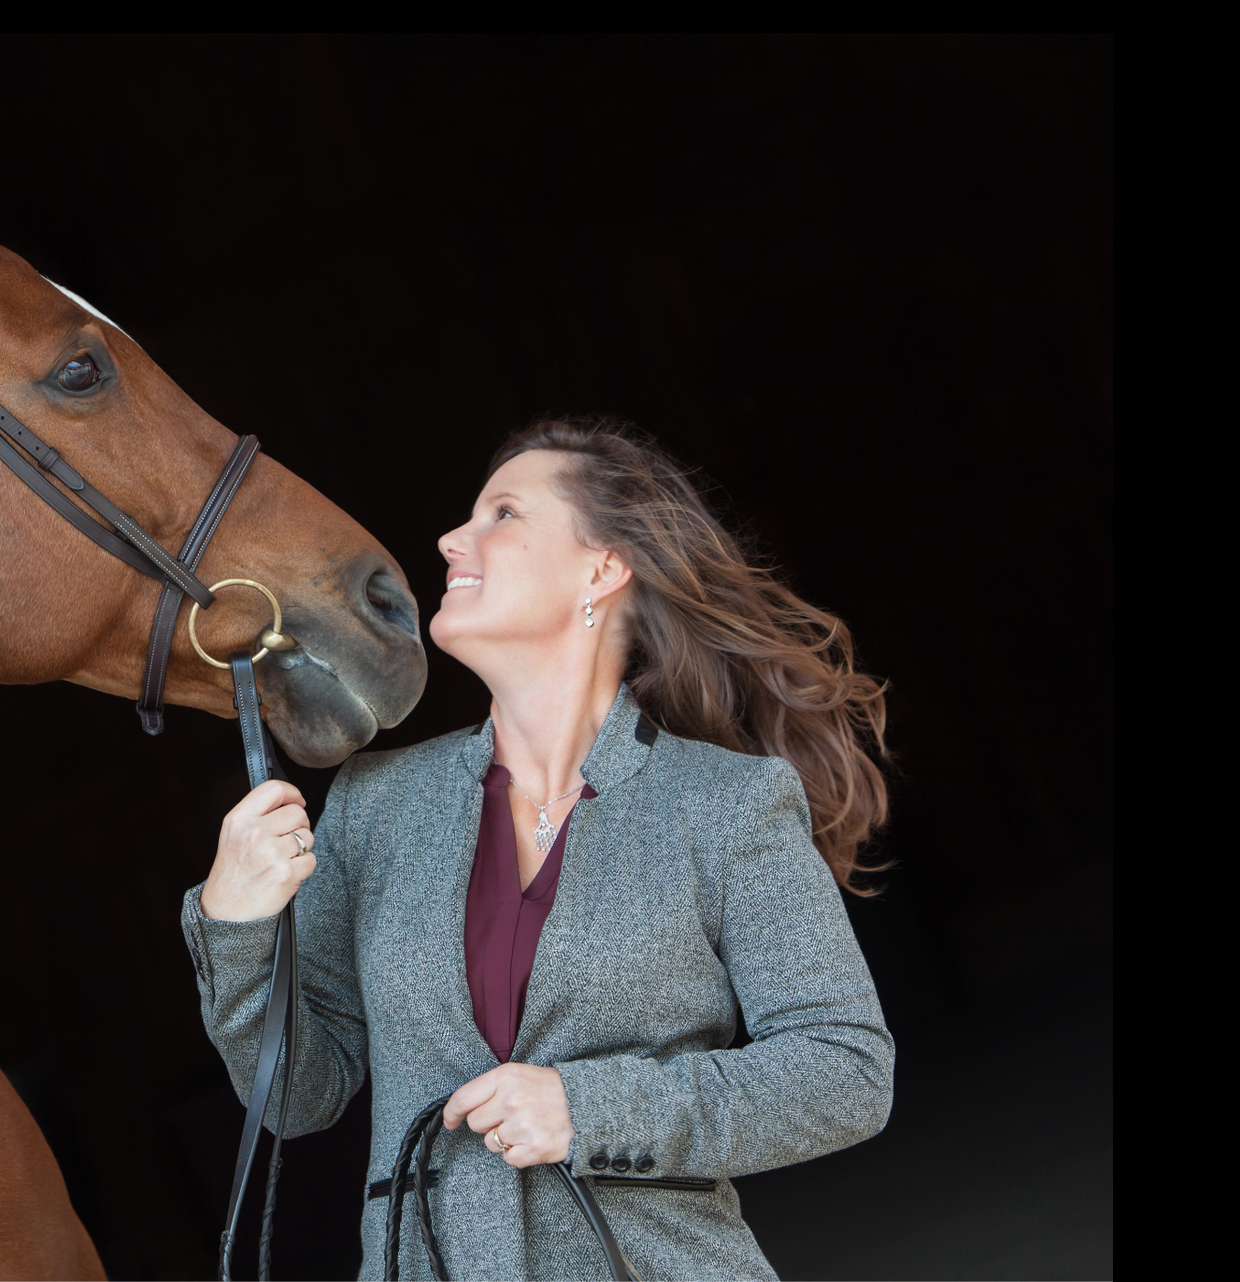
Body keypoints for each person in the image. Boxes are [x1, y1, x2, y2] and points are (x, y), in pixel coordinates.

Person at [183, 420, 895, 1279]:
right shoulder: (374, 807)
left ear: (602, 569)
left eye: (504, 513)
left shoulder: (726, 807)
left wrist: (589, 1108)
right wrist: (234, 925)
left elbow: (844, 1070)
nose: (452, 538)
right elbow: (301, 1094)